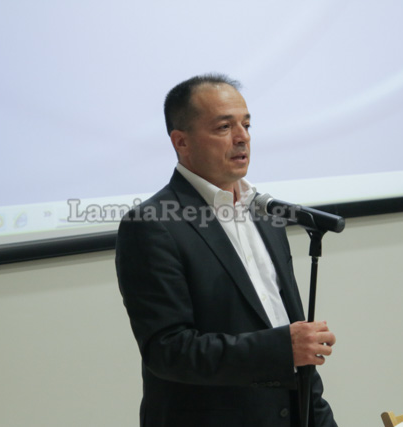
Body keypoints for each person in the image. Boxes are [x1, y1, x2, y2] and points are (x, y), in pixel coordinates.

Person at [116, 73, 337, 427]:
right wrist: (281, 348)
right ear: (181, 142)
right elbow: (168, 350)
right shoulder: (152, 224)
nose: (242, 137)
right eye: (224, 127)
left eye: (246, 125)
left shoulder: (264, 213)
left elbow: (292, 337)